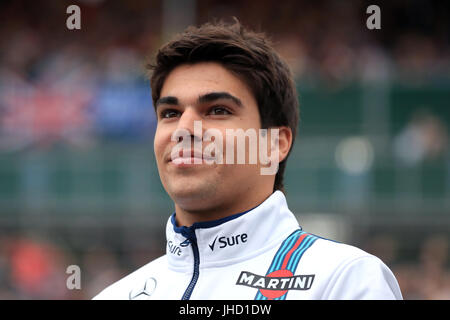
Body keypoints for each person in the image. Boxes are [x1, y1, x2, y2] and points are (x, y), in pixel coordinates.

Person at [93, 20, 402, 300]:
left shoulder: (345, 280)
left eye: (217, 110)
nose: (184, 129)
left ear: (275, 144)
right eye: (170, 114)